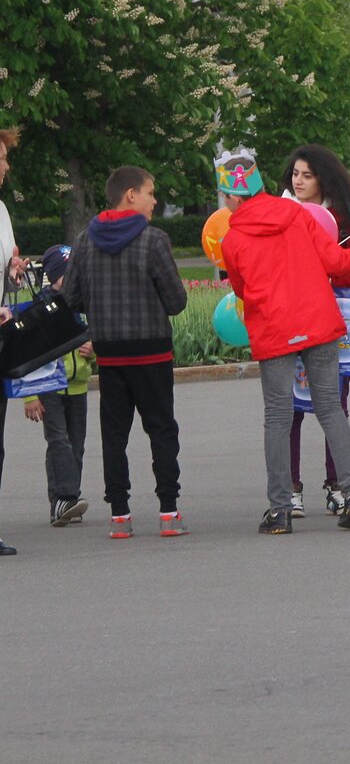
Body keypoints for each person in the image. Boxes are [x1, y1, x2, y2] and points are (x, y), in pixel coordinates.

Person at [219, 147, 350, 535]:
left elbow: (240, 288)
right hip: (317, 322)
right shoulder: (297, 217)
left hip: (274, 330)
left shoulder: (233, 240)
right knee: (331, 410)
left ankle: (280, 509)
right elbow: (335, 263)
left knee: (277, 418)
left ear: (234, 197)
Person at [62, 165, 190, 537]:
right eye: (150, 193)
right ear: (130, 194)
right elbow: (176, 300)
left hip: (110, 352)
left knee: (114, 435)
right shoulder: (154, 240)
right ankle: (169, 512)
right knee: (162, 430)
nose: (155, 200)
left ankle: (120, 516)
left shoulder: (85, 240)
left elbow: (70, 297)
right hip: (151, 351)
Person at [279, 144, 350, 519]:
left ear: (323, 179)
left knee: (334, 406)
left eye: (307, 175)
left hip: (332, 319)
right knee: (290, 408)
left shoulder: (345, 218)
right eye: (295, 174)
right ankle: (291, 488)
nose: (298, 181)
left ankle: (338, 484)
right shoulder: (278, 214)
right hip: (289, 319)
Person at [22, 244, 94, 526]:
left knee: (76, 445)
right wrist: (30, 396)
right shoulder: (41, 308)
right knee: (59, 442)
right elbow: (29, 353)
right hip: (49, 387)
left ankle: (67, 500)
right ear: (54, 277)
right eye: (68, 274)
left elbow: (91, 336)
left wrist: (94, 350)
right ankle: (63, 498)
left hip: (77, 385)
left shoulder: (82, 304)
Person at [0, 126, 27, 555]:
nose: (6, 166)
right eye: (1, 158)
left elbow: (6, 258)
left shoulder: (2, 211)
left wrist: (14, 266)